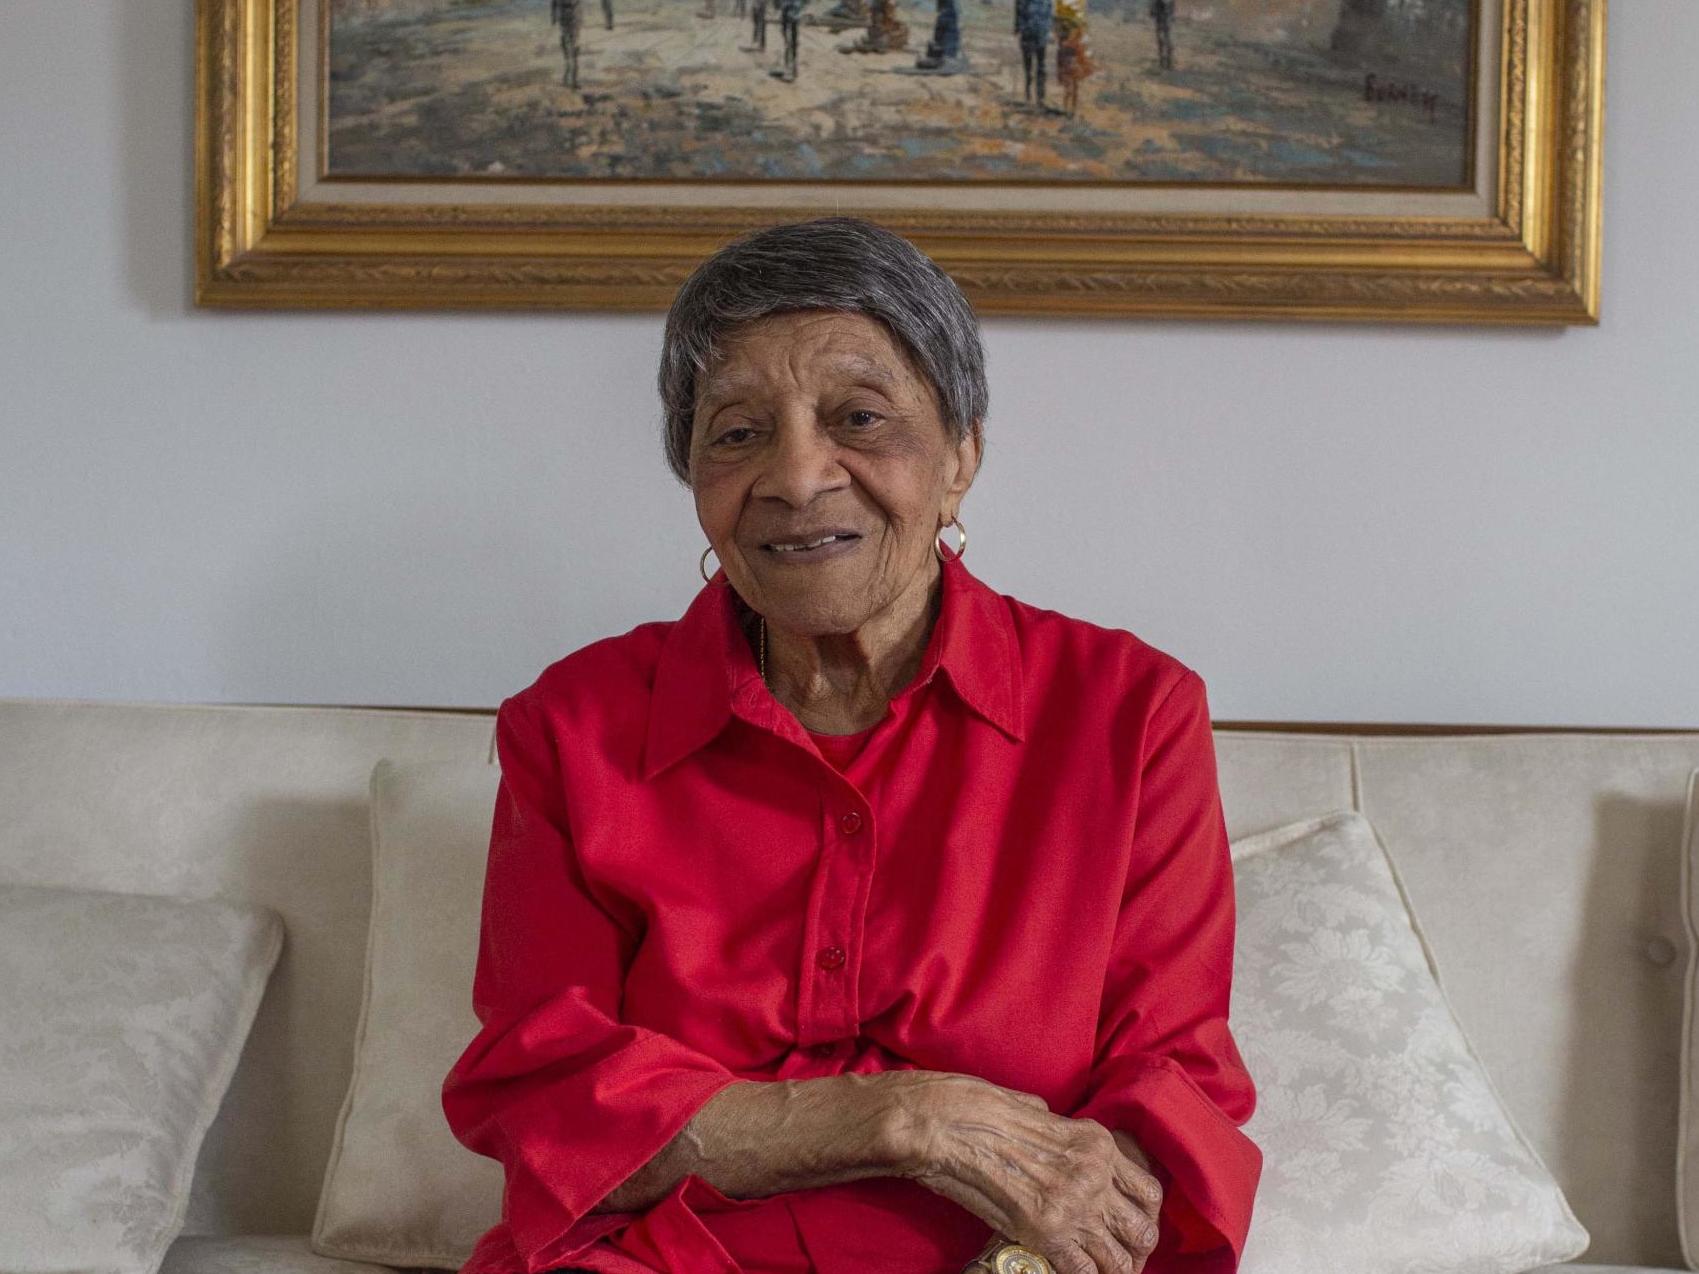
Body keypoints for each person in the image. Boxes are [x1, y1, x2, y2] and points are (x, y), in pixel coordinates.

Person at [440, 215, 1261, 1274]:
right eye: (736, 431)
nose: (795, 475)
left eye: (858, 417)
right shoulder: (572, 724)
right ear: (692, 477)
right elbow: (540, 1087)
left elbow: (1173, 1088)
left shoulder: (1129, 713)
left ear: (960, 456)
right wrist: (898, 1115)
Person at [1053, 0, 1095, 116]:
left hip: (1075, 41)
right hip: (1070, 39)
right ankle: (1068, 108)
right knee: (1069, 78)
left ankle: (1071, 109)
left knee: (1073, 78)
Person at [1014, 0, 1053, 107]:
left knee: (1041, 67)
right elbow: (1019, 12)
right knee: (1028, 68)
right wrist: (1018, 28)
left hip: (1041, 34)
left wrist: (1049, 30)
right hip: (1028, 34)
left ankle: (1040, 98)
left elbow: (1049, 13)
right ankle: (1028, 96)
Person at [550, 0, 582, 89]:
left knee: (574, 49)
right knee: (568, 48)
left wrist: (553, 16)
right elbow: (553, 3)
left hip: (574, 16)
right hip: (566, 17)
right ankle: (569, 78)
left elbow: (554, 4)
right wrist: (553, 16)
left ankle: (574, 80)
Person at [1150, 0, 1174, 70]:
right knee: (1165, 41)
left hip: (1162, 22)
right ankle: (1167, 62)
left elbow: (1152, 13)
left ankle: (1164, 62)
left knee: (1162, 42)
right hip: (1164, 22)